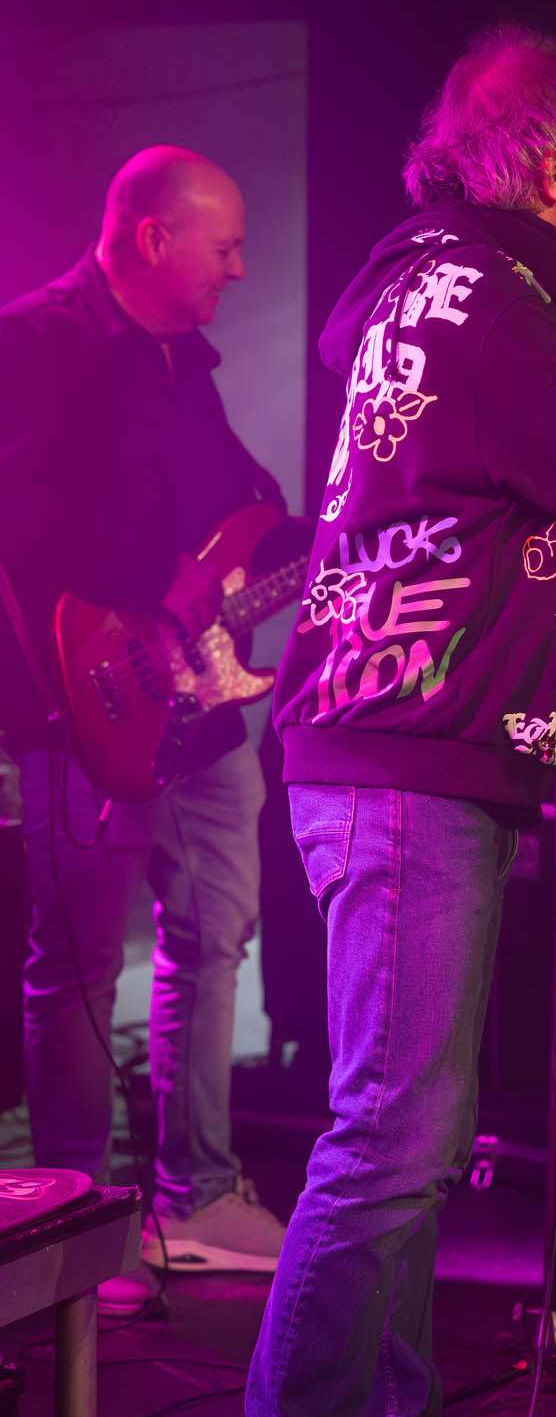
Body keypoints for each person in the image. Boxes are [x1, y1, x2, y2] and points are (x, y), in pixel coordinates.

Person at [208, 25, 556, 1417]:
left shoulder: (426, 290)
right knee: (393, 1143)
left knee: (412, 1140)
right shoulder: (484, 299)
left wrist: (547, 636)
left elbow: (461, 524)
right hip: (405, 768)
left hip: (402, 754)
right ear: (548, 162)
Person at [0, 147, 291, 1312]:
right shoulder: (36, 342)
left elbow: (244, 504)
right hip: (81, 707)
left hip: (195, 711)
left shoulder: (186, 360)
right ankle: (78, 1220)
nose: (238, 267)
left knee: (212, 936)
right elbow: (21, 516)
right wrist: (155, 579)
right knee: (75, 963)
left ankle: (196, 1193)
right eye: (223, 246)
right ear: (153, 238)